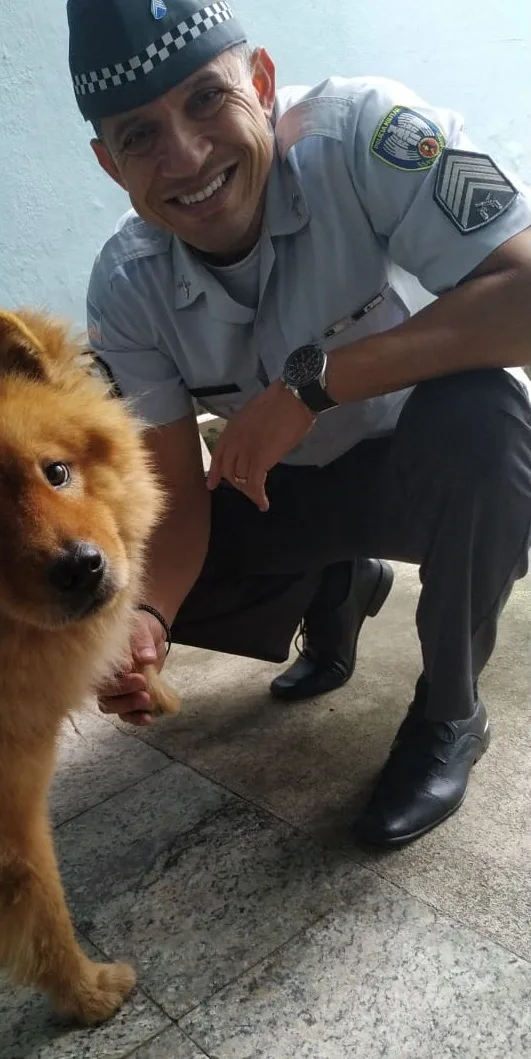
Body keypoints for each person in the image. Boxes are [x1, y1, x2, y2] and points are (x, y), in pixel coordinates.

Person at [66, 0, 531, 846]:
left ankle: (449, 711)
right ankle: (339, 585)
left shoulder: (368, 133)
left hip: (422, 464)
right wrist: (149, 621)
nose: (187, 156)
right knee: (116, 584)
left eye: (207, 99)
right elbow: (170, 492)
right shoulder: (126, 289)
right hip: (287, 488)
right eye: (139, 135)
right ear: (109, 165)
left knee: (487, 424)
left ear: (264, 82)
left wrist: (308, 387)